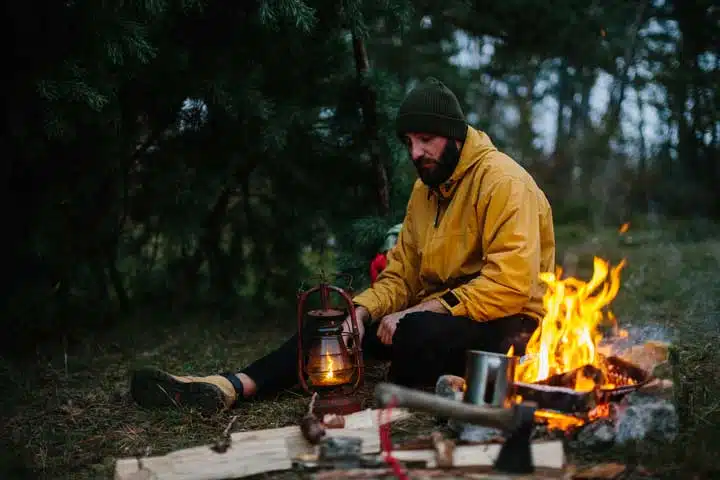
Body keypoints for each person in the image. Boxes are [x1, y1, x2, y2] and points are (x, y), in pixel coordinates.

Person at [129, 77, 556, 415]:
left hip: (507, 324)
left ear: (455, 136)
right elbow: (403, 274)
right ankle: (233, 385)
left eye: (426, 139)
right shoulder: (426, 191)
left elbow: (511, 285)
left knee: (416, 330)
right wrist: (364, 310)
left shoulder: (504, 182)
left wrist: (422, 309)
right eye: (408, 142)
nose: (415, 152)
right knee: (334, 324)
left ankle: (410, 384)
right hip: (437, 318)